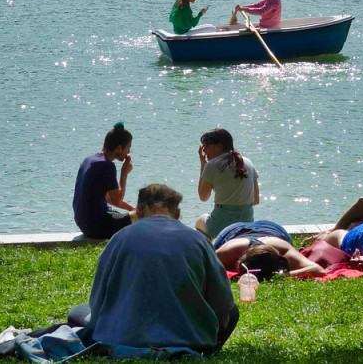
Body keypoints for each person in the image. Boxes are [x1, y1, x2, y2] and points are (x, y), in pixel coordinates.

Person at [80, 183, 238, 355]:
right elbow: (222, 300)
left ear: (138, 212)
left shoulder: (120, 238)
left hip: (121, 337)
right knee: (233, 312)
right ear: (177, 214)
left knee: (78, 312)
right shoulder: (199, 241)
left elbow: (98, 297)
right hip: (191, 339)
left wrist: (99, 327)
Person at [195, 128, 259, 238]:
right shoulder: (248, 162)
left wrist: (203, 165)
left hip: (221, 225)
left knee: (200, 221)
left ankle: (209, 252)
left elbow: (203, 197)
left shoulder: (212, 166)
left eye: (206, 146)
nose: (204, 151)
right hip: (246, 224)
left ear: (219, 146)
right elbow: (256, 200)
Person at [213, 220, 324, 279]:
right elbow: (202, 265)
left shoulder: (283, 250)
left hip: (272, 230)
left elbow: (318, 269)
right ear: (239, 260)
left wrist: (284, 275)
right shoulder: (231, 250)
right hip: (235, 230)